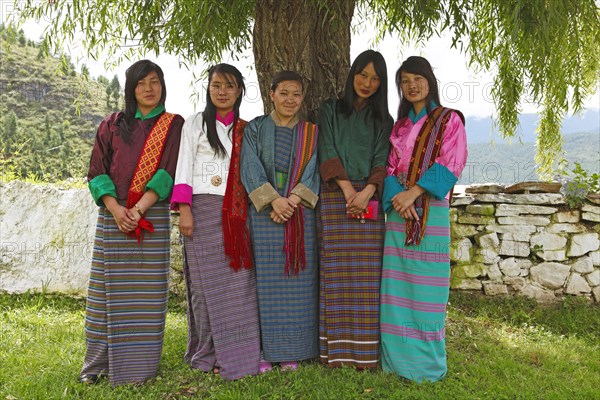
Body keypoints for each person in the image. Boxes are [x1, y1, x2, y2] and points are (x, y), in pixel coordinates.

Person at [80, 60, 183, 386]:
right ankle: (96, 367)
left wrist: (137, 211)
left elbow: (168, 171)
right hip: (114, 218)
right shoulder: (111, 124)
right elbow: (97, 171)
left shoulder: (172, 124)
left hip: (149, 217)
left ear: (162, 85)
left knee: (145, 299)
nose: (149, 89)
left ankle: (139, 369)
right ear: (130, 89)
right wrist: (116, 209)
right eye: (141, 83)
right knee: (102, 297)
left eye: (154, 82)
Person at [380, 56, 468, 382]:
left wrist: (413, 193)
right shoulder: (400, 126)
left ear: (429, 81)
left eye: (417, 78)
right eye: (405, 81)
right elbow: (388, 166)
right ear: (400, 87)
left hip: (430, 213)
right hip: (398, 214)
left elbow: (452, 162)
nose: (411, 85)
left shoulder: (449, 120)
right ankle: (396, 360)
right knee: (396, 289)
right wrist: (398, 200)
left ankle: (426, 366)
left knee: (428, 293)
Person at [171, 64, 260, 380]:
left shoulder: (247, 129)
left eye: (230, 86)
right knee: (204, 287)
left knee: (239, 285)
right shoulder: (195, 123)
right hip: (202, 208)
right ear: (208, 89)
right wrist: (185, 210)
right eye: (217, 85)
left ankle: (238, 352)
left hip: (237, 214)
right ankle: (207, 353)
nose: (223, 91)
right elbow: (184, 166)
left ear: (239, 92)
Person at [317, 50, 393, 369]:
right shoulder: (329, 110)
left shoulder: (383, 120)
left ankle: (365, 353)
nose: (367, 83)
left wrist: (369, 191)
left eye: (375, 78)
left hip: (369, 198)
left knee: (367, 278)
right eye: (362, 75)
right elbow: (327, 147)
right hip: (336, 195)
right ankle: (334, 353)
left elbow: (381, 158)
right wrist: (349, 190)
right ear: (352, 75)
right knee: (336, 275)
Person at [240, 71, 320, 372]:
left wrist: (292, 201)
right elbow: (249, 167)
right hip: (264, 215)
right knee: (264, 285)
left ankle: (294, 351)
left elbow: (313, 170)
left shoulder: (311, 132)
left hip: (300, 216)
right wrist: (274, 200)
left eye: (297, 94)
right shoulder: (256, 128)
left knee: (298, 283)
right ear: (271, 93)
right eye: (284, 92)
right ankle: (265, 351)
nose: (290, 99)